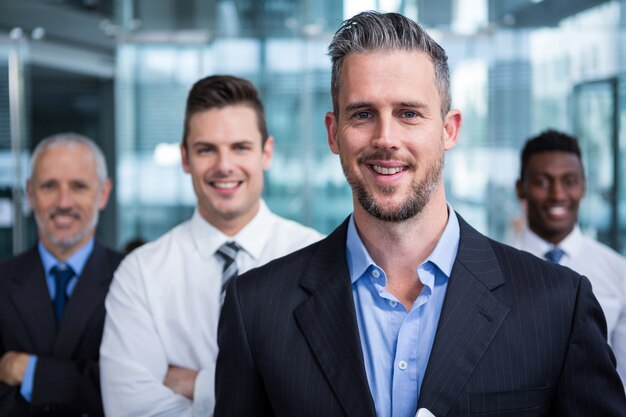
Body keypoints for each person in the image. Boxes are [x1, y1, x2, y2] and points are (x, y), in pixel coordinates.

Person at [214, 11, 626, 417]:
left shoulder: (556, 305)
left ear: (449, 129)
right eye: (362, 114)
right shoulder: (256, 309)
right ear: (333, 132)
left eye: (409, 113)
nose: (386, 139)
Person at [99, 75, 323, 417]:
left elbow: (321, 399)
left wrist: (199, 386)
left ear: (267, 152)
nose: (224, 166)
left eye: (240, 147)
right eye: (206, 149)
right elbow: (131, 410)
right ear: (185, 158)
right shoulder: (140, 273)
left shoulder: (316, 257)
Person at [0, 133, 123, 416]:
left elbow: (133, 389)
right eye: (49, 186)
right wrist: (87, 382)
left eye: (79, 186)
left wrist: (30, 372)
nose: (64, 202)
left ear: (103, 193)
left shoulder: (134, 278)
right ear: (30, 194)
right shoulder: (2, 281)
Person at [510, 129, 626, 386]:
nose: (558, 194)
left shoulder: (619, 274)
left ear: (583, 186)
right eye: (542, 182)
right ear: (521, 188)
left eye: (569, 181)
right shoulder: (493, 269)